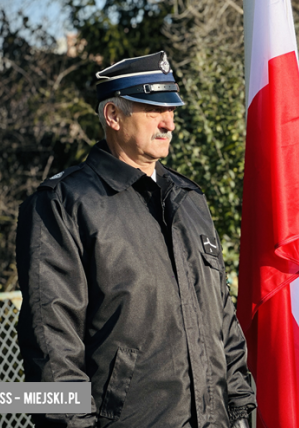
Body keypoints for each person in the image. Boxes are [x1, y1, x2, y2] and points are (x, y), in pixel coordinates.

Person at [16, 52, 256, 428]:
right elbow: (51, 344)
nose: (168, 123)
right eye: (152, 110)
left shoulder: (190, 201)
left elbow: (223, 319)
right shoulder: (64, 204)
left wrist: (241, 411)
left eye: (172, 110)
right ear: (113, 115)